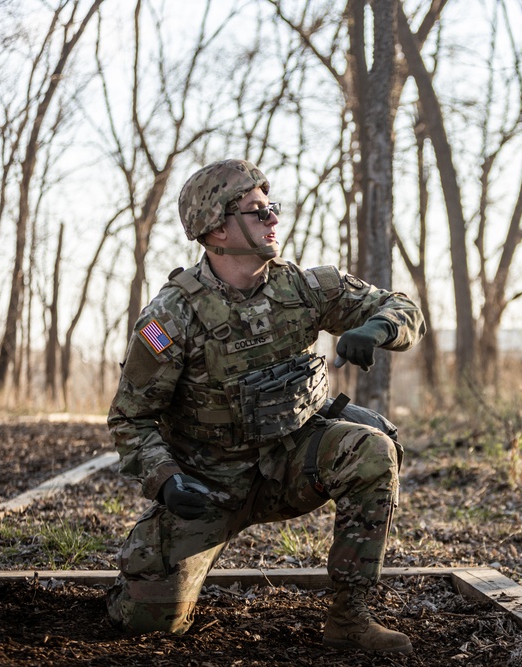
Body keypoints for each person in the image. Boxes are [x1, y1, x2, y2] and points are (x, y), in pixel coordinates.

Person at [105, 158, 425, 655]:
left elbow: (403, 308)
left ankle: (350, 619)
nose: (273, 218)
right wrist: (166, 479)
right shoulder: (171, 316)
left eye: (271, 207)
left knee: (372, 449)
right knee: (147, 625)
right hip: (208, 485)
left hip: (293, 463)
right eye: (257, 211)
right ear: (215, 228)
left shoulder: (305, 288)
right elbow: (131, 419)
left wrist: (376, 328)